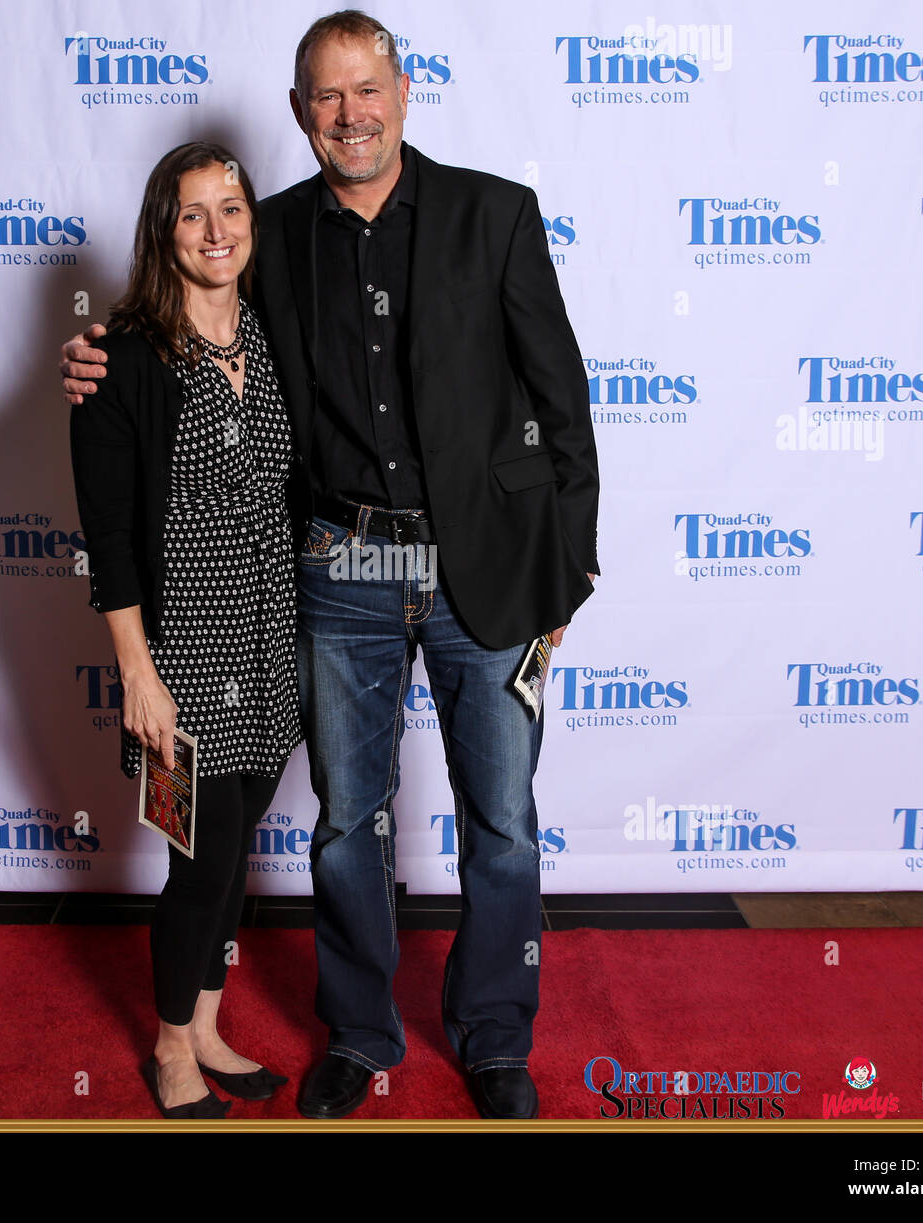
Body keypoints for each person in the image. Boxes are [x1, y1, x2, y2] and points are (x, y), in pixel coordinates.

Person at [63, 11, 599, 1121]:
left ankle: (495, 1036)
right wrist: (97, 360)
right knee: (348, 823)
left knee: (501, 820)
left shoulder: (494, 214)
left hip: (483, 572)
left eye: (366, 90)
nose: (349, 115)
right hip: (337, 569)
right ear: (302, 110)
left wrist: (569, 573)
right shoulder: (271, 233)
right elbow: (181, 320)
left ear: (402, 90)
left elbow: (562, 399)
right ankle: (359, 1034)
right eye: (325, 96)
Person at [69, 140, 302, 1119]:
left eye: (232, 209)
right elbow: (109, 537)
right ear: (163, 231)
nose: (217, 231)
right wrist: (138, 673)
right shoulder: (118, 359)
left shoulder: (277, 329)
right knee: (196, 862)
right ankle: (170, 1048)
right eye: (194, 213)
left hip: (272, 642)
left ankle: (207, 1023)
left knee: (233, 856)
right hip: (187, 657)